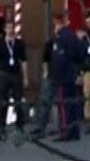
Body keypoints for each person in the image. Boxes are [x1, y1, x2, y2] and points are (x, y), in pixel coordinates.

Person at [33, 14, 84, 142]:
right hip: (69, 75)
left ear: (58, 23)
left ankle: (65, 131)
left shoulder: (61, 37)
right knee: (71, 104)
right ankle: (74, 130)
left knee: (63, 105)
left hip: (62, 76)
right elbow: (77, 55)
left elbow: (61, 57)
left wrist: (56, 74)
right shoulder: (71, 36)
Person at [0, 31, 28, 137]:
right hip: (4, 73)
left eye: (11, 28)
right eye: (8, 28)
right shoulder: (0, 44)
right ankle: (1, 125)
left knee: (18, 99)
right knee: (3, 100)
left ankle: (20, 125)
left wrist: (25, 77)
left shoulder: (19, 43)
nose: (10, 31)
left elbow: (23, 60)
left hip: (16, 73)